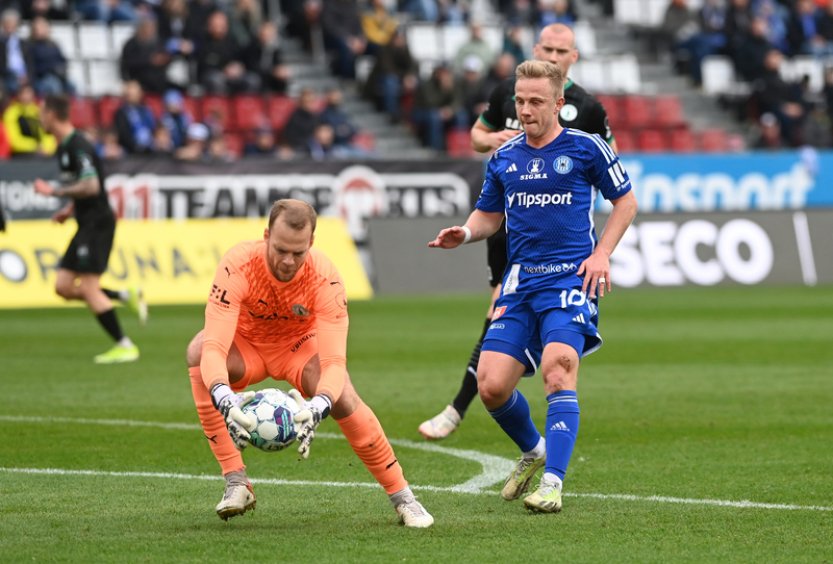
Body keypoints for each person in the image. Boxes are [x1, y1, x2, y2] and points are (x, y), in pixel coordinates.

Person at [429, 60, 637, 512]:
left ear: (559, 104)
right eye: (521, 100)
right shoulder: (503, 156)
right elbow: (489, 215)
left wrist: (602, 253)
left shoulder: (587, 148)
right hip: (520, 283)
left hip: (569, 278)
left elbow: (626, 201)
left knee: (558, 368)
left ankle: (553, 484)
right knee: (491, 386)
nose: (525, 109)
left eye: (536, 101)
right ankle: (533, 451)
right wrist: (463, 234)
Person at [418, 22, 618, 440]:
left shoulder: (588, 109)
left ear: (573, 58)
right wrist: (495, 138)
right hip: (504, 227)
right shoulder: (509, 93)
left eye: (562, 51)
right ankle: (486, 399)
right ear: (535, 47)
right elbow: (475, 136)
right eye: (546, 48)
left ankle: (459, 408)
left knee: (502, 318)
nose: (553, 56)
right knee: (499, 318)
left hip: (556, 235)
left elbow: (609, 166)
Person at [185, 199, 433, 527]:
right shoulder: (237, 264)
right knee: (198, 350)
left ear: (311, 243)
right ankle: (236, 482)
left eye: (298, 253)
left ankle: (404, 498)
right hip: (247, 346)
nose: (288, 261)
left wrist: (320, 405)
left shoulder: (325, 278)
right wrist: (222, 394)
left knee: (343, 396)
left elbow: (333, 362)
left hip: (298, 349)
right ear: (266, 236)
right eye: (280, 249)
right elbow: (216, 345)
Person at [32, 95, 147, 364]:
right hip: (86, 221)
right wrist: (69, 209)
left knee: (87, 286)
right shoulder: (63, 147)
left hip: (97, 222)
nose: (39, 118)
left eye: (41, 112)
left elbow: (92, 186)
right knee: (62, 286)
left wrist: (54, 192)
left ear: (52, 114)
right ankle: (123, 295)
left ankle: (125, 345)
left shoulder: (78, 145)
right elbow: (83, 187)